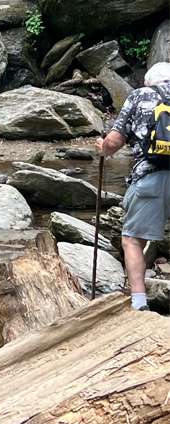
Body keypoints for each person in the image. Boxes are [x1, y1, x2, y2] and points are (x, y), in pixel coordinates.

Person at [95, 61, 170, 311]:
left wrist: (102, 149)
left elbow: (115, 141)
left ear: (149, 82)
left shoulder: (141, 95)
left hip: (152, 177)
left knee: (131, 240)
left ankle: (139, 304)